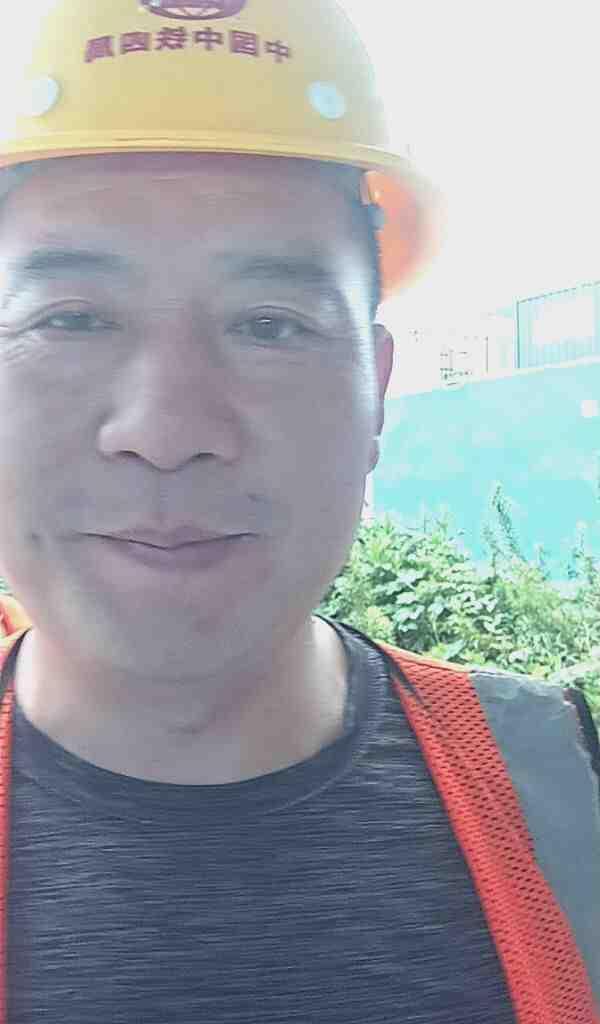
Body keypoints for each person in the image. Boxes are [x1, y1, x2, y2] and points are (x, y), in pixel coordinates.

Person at [0, 2, 597, 1022]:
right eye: (75, 319)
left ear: (379, 393)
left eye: (270, 325)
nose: (167, 428)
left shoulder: (558, 794)